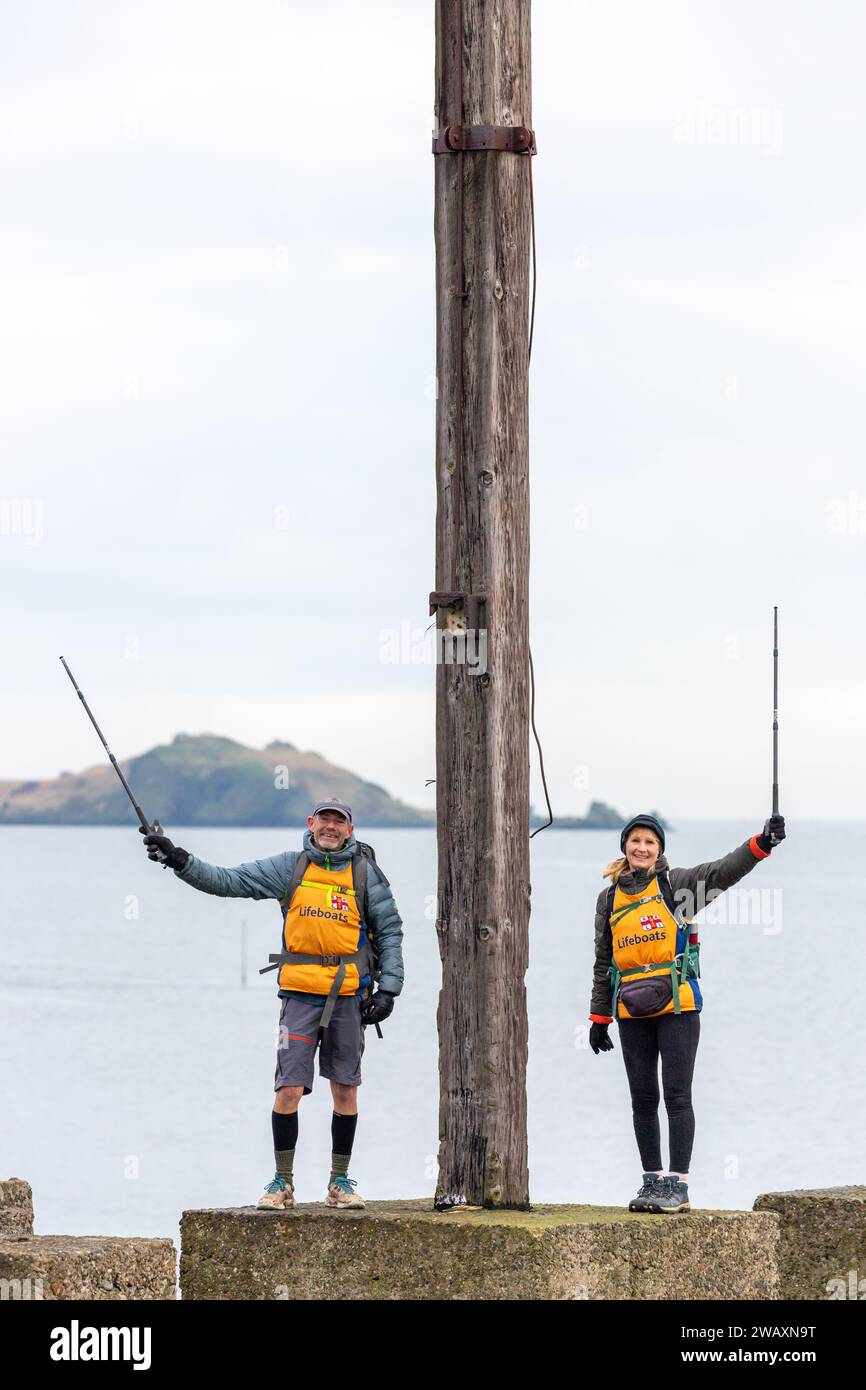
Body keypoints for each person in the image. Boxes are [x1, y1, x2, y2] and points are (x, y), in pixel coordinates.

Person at [141, 799, 403, 1212]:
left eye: (339, 822)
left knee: (346, 1089)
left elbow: (390, 931)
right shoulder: (291, 867)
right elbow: (227, 881)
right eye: (325, 820)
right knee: (288, 1089)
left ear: (350, 830)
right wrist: (178, 859)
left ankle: (340, 1182)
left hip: (349, 994)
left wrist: (389, 989)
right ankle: (282, 1182)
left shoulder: (365, 874)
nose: (331, 827)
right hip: (299, 995)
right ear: (311, 824)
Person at [587, 811, 785, 1215]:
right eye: (635, 841)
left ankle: (678, 1187)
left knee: (677, 1096)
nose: (641, 848)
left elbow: (722, 872)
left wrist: (761, 844)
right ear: (624, 846)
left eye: (650, 843)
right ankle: (652, 1181)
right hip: (630, 1009)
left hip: (678, 1006)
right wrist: (599, 1017)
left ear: (660, 850)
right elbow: (602, 960)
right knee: (642, 1099)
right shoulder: (608, 899)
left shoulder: (674, 887)